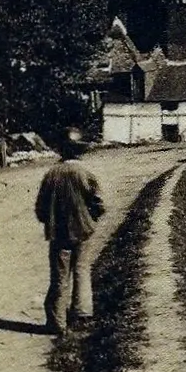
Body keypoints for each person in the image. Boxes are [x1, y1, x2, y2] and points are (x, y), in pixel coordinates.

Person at [34, 127, 105, 335]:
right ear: (80, 151)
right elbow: (99, 203)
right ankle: (82, 313)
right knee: (82, 270)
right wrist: (90, 219)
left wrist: (49, 221)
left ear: (61, 151)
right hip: (83, 230)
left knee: (59, 277)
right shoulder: (85, 173)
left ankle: (57, 322)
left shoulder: (51, 174)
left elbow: (41, 207)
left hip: (59, 233)